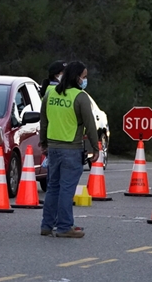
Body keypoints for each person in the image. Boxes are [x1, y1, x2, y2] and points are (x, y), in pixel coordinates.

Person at [39, 61, 99, 238]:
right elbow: (90, 124)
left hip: (53, 147)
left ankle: (47, 225)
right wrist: (95, 147)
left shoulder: (50, 94)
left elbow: (44, 121)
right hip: (71, 148)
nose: (85, 80)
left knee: (53, 188)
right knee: (66, 189)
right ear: (76, 77)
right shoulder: (80, 97)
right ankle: (65, 226)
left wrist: (43, 142)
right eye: (84, 76)